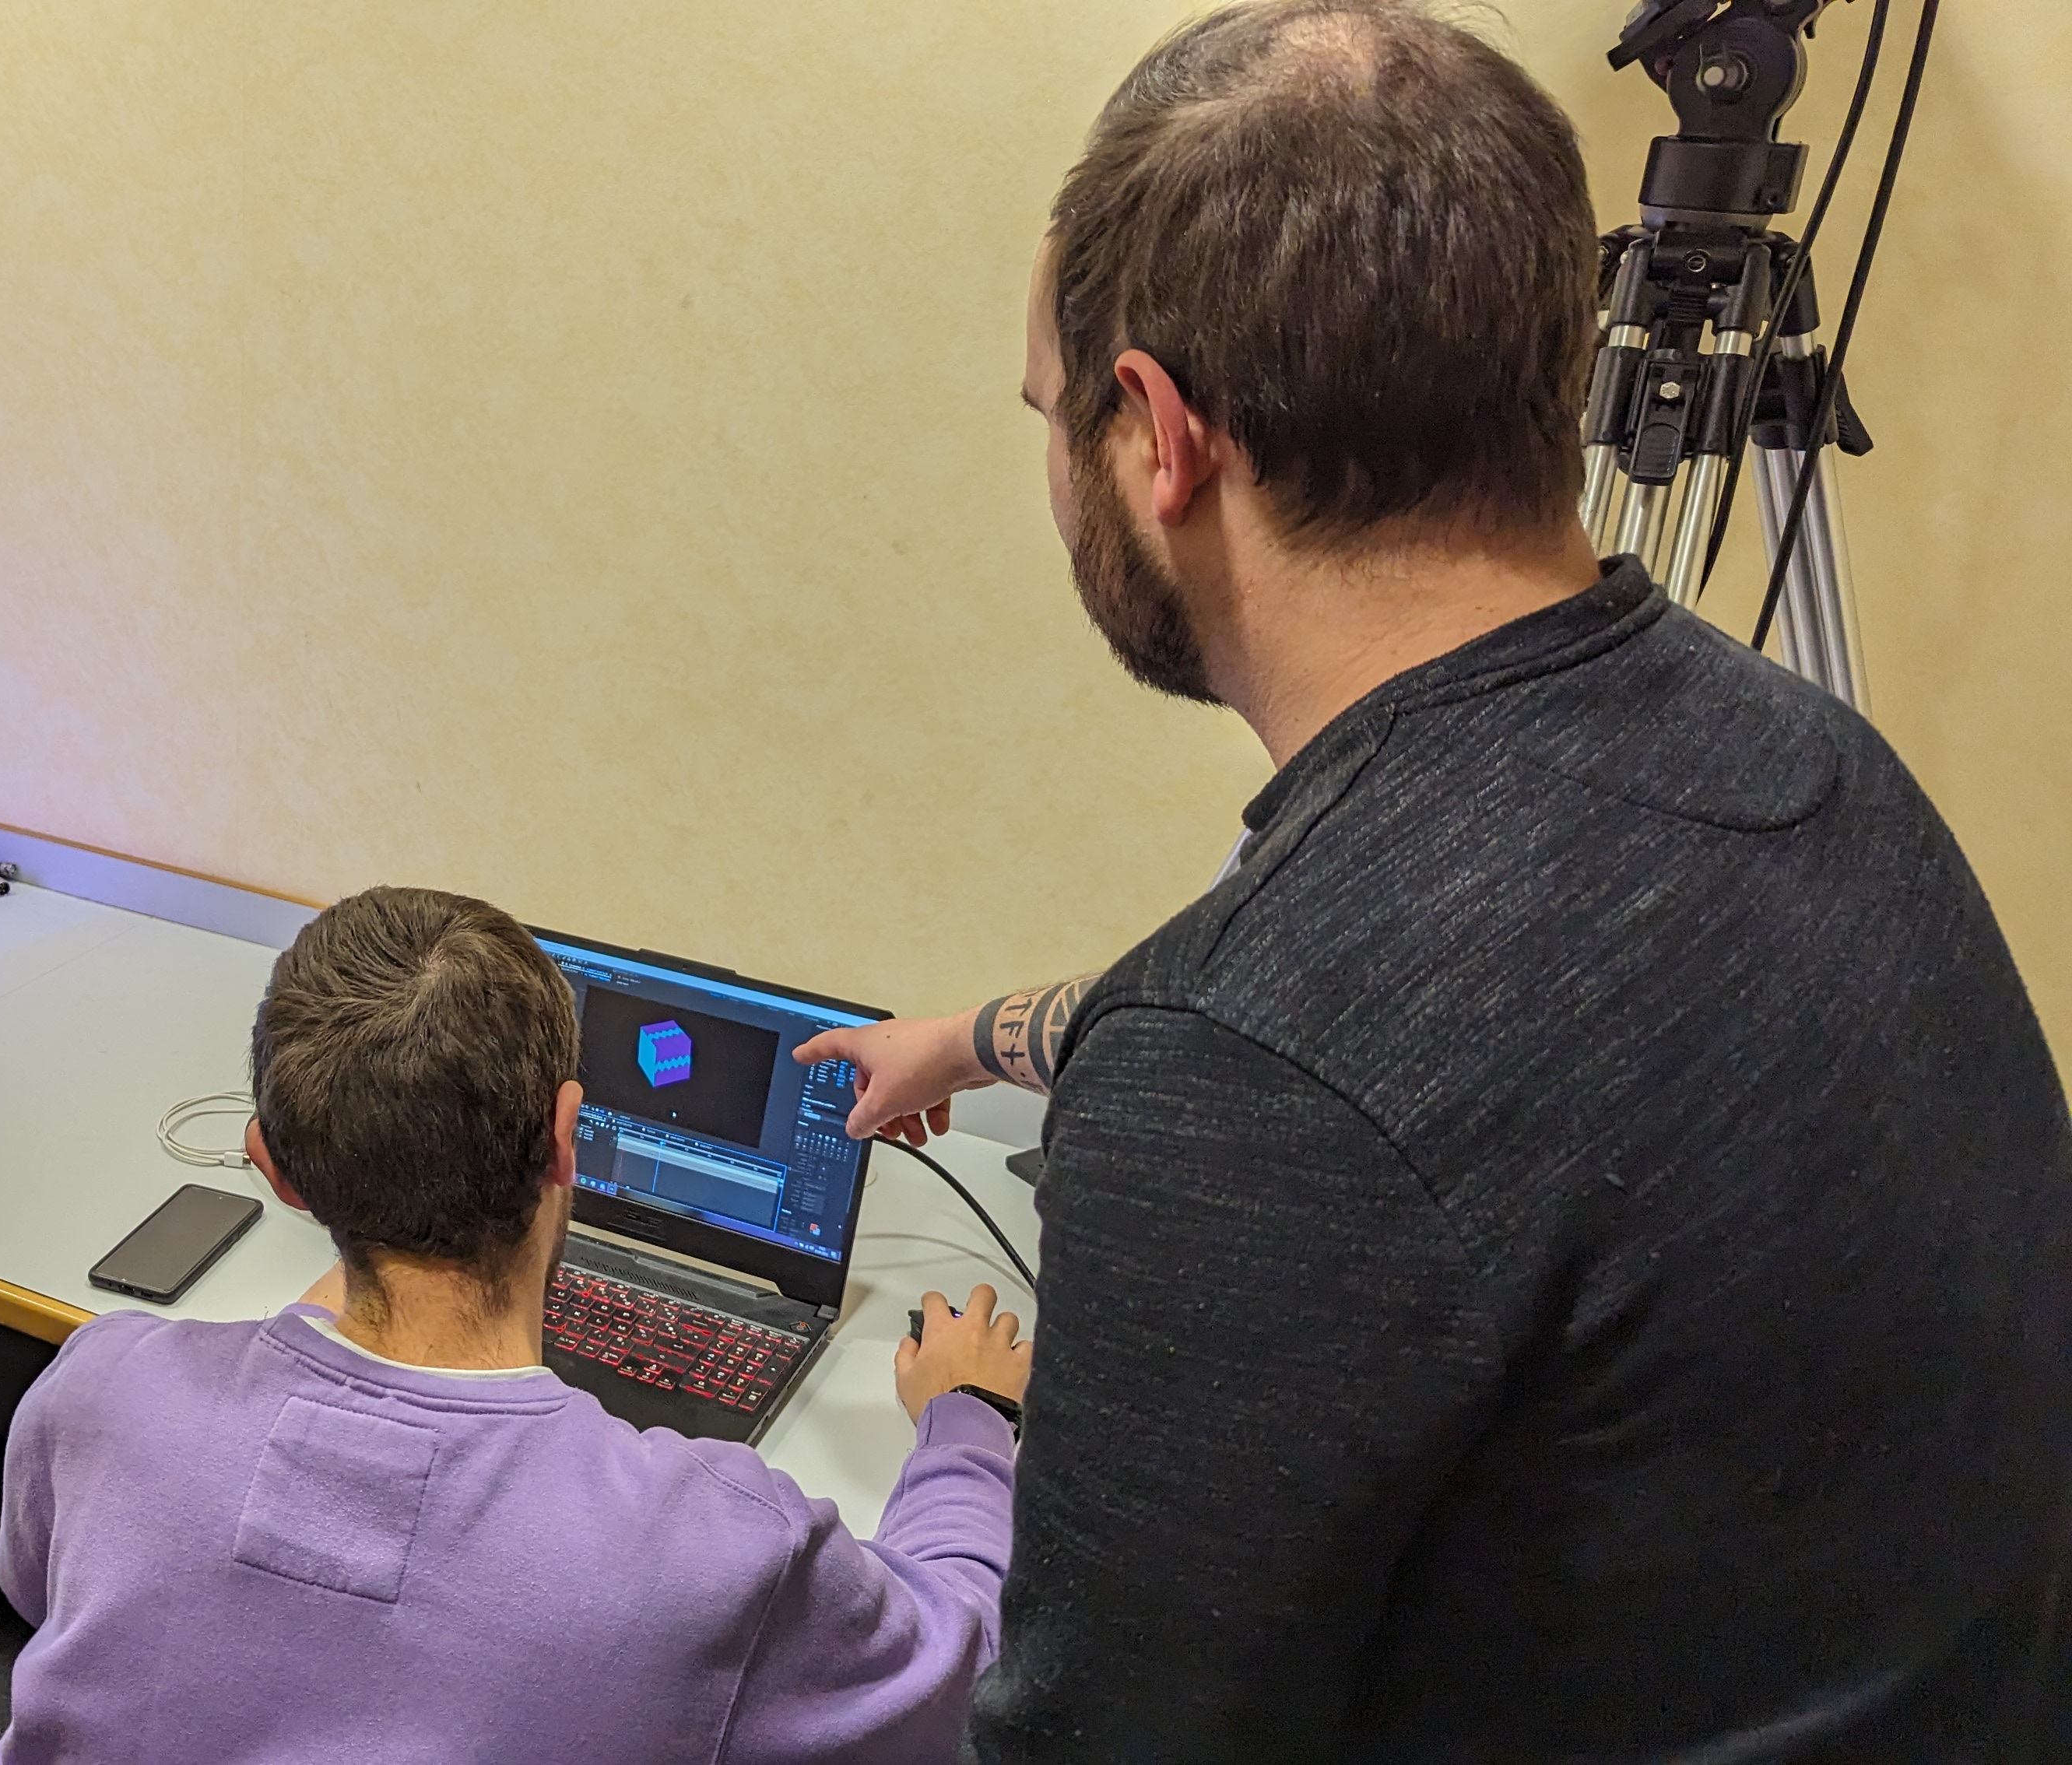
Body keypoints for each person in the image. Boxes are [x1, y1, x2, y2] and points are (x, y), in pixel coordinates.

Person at [796, 2, 2072, 1758]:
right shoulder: (1819, 771)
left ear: (1158, 433)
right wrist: (981, 1037)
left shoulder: (1248, 1070)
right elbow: (1438, 1032)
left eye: (1051, 411)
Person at [0, 886, 1029, 1763]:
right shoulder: (719, 1550)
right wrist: (972, 1417)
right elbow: (963, 1671)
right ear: (568, 1140)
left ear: (276, 1170)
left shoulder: (99, 1388)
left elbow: (39, 1595)